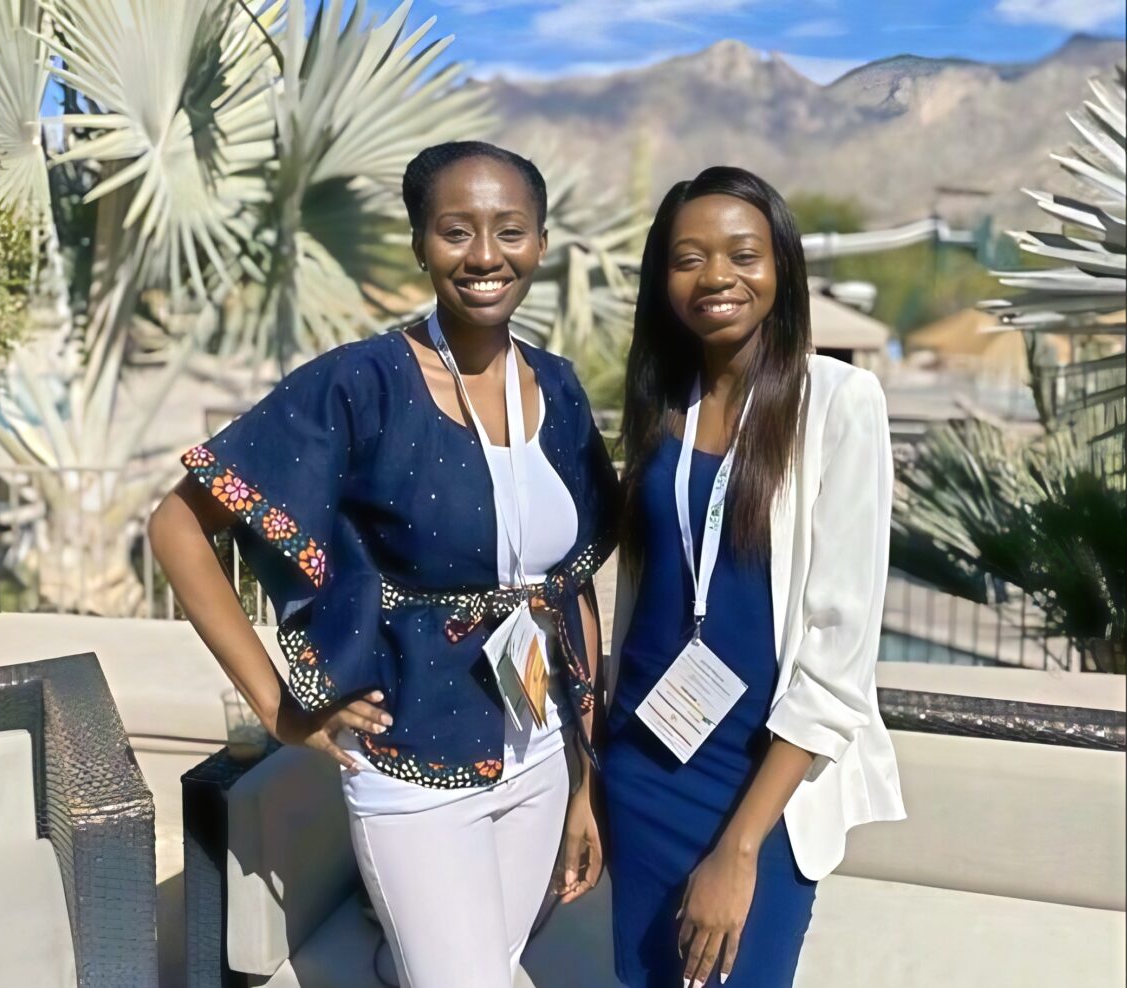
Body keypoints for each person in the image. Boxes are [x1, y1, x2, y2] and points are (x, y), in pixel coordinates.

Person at [149, 141, 618, 988]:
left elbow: (570, 586)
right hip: (412, 757)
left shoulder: (557, 387)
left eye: (510, 230)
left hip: (542, 744)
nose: (485, 255)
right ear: (420, 244)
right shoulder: (360, 384)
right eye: (456, 231)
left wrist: (587, 778)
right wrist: (280, 709)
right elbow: (179, 526)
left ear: (542, 244)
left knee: (491, 964)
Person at [602, 167, 905, 988]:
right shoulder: (662, 398)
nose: (717, 277)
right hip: (642, 764)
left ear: (781, 267)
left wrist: (739, 849)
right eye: (688, 258)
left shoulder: (840, 402)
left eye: (743, 254)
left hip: (759, 789)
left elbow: (839, 655)